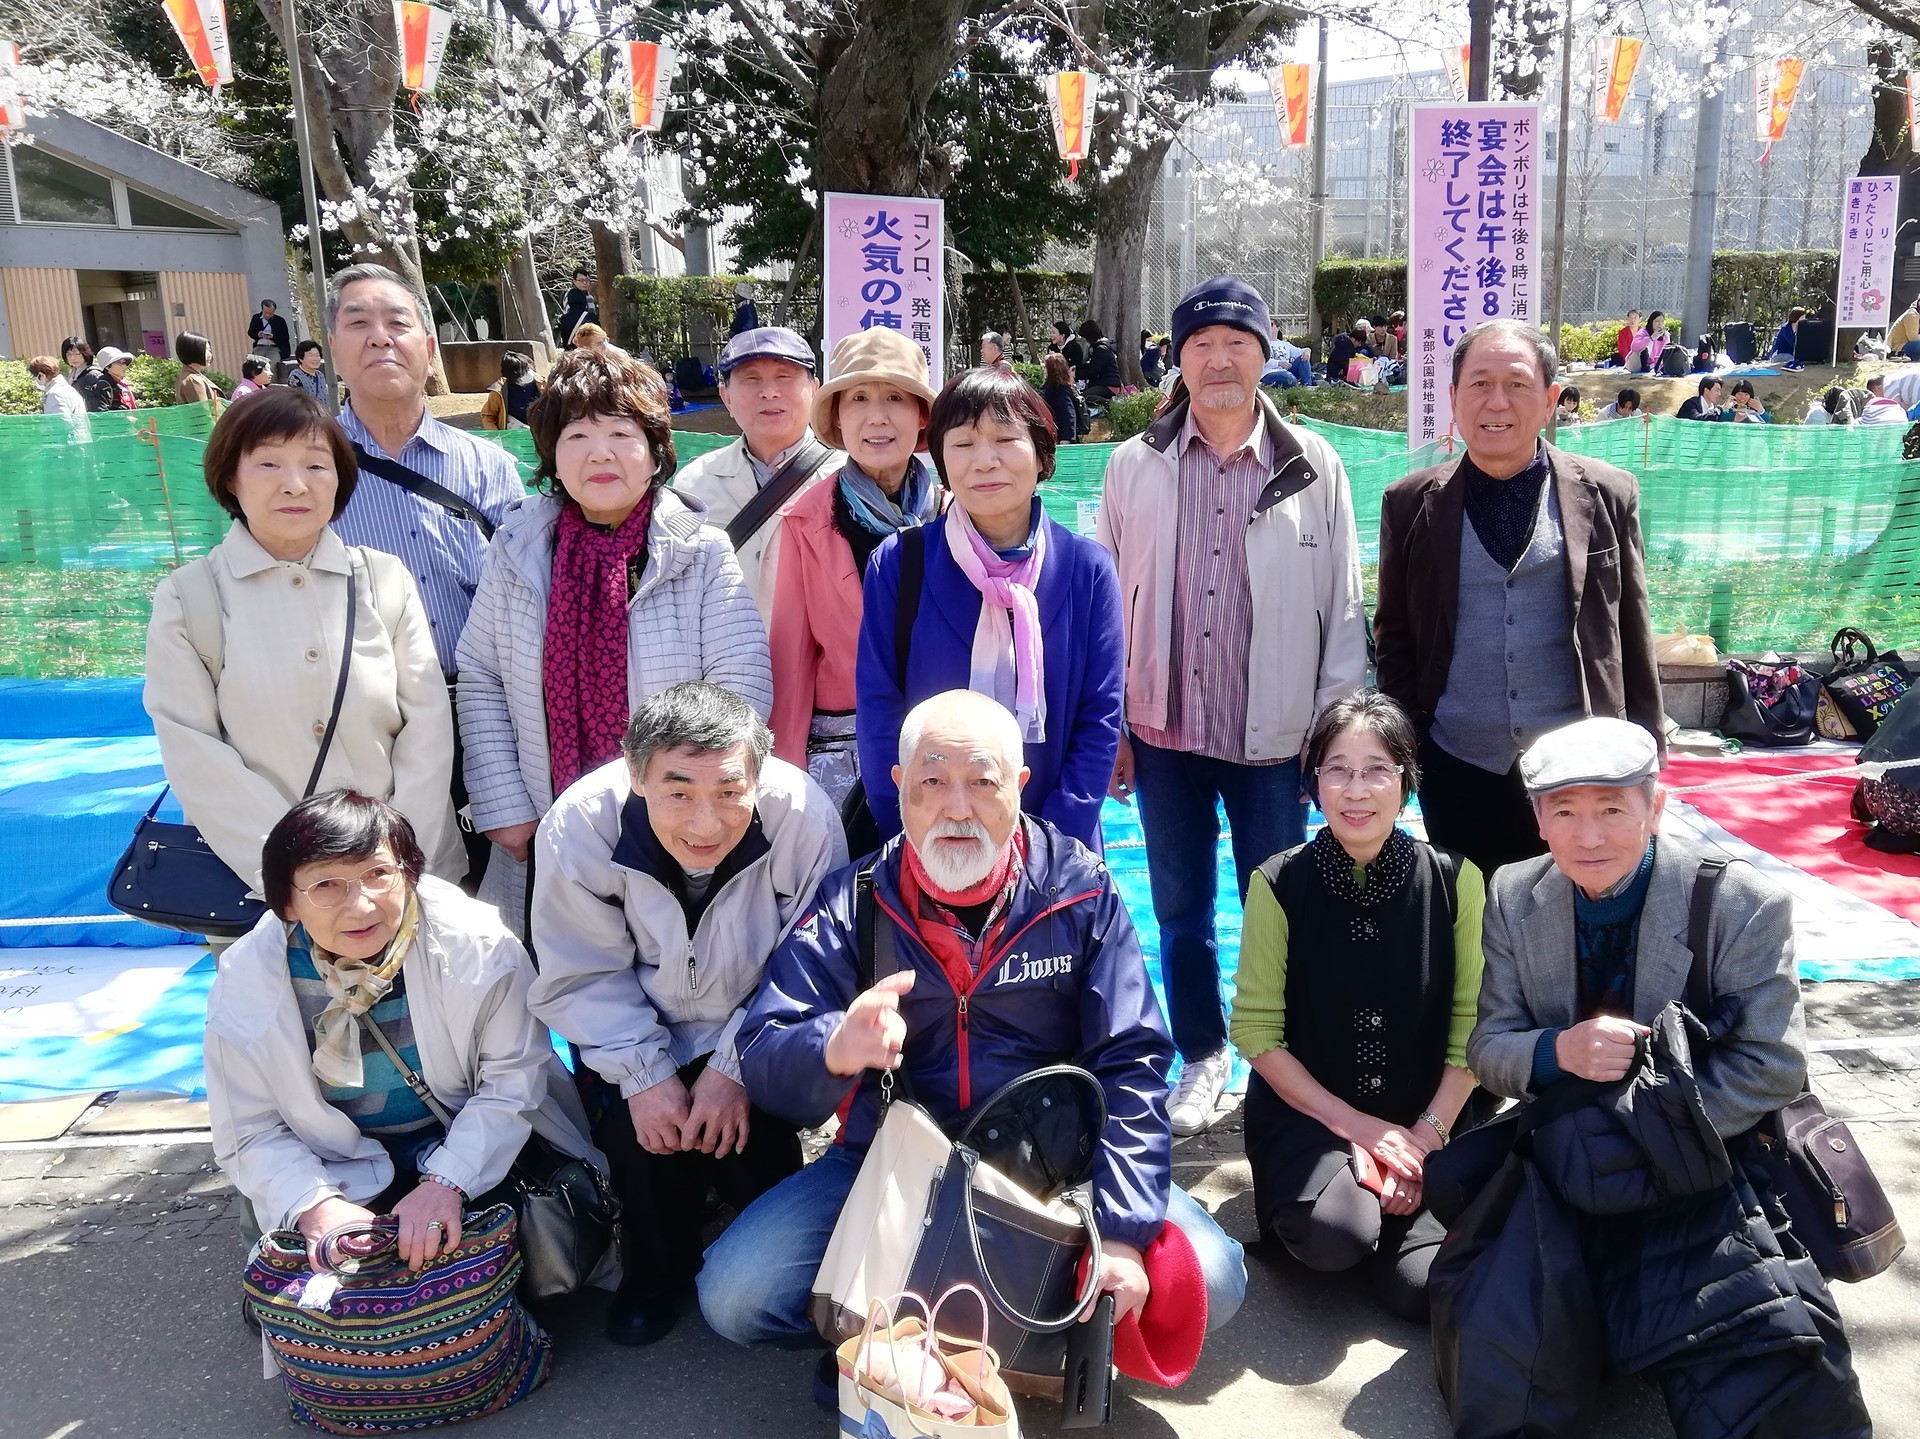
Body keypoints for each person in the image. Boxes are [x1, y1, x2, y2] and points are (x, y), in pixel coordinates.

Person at [699, 690, 1248, 1362]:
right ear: (899, 788)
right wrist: (835, 1047)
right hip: (894, 1168)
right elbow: (763, 1047)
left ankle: (955, 1316)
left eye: (982, 782)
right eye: (932, 781)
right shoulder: (856, 900)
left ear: (1017, 785)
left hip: (1057, 1167)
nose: (957, 807)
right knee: (734, 1294)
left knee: (1211, 1285)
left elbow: (1132, 1064)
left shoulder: (1079, 891)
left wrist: (1125, 1233)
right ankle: (961, 1318)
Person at [1463, 717, 1871, 1439]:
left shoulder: (1740, 899)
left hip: (1705, 1145)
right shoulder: (1513, 894)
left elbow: (1774, 1062)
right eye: (1565, 811)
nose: (1589, 836)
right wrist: (1561, 1049)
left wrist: (1650, 1130)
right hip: (1570, 1145)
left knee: (1753, 1334)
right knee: (1506, 1334)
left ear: (1656, 807)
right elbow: (1489, 1046)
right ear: (1538, 820)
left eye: (1612, 808)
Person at [1099, 275, 1367, 1137]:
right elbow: (1106, 603)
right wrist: (1112, 728)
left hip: (1277, 735)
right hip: (1166, 731)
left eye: (1238, 342)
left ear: (1266, 353)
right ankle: (1204, 1051)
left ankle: (1276, 1057)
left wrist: (1335, 738)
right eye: (1202, 343)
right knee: (1179, 912)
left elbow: (1344, 604)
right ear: (1177, 359)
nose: (1220, 359)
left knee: (1280, 906)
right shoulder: (1132, 464)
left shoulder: (1313, 464)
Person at [528, 683, 845, 1345]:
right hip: (642, 1022)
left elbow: (811, 965)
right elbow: (582, 970)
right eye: (678, 791)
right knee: (639, 1131)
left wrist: (733, 1066)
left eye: (730, 791)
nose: (706, 822)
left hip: (756, 1021)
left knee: (754, 1149)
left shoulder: (804, 818)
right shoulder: (579, 826)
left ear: (759, 773)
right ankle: (656, 1268)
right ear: (636, 772)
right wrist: (645, 1074)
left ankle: (751, 1229)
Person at [205, 790, 602, 1264]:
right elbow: (249, 1130)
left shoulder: (477, 945)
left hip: (461, 1138)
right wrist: (314, 1204)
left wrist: (447, 1182)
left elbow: (512, 1084)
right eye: (326, 885)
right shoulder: (248, 979)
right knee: (325, 1299)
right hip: (329, 1162)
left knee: (493, 1275)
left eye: (378, 874)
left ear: (410, 875)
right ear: (286, 902)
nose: (362, 906)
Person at [456, 346, 771, 929]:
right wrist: (505, 806)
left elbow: (740, 687)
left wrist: (692, 806)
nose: (599, 452)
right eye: (577, 435)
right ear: (552, 454)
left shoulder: (700, 552)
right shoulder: (518, 548)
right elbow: (482, 678)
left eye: (620, 433)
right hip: (540, 825)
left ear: (655, 452)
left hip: (674, 830)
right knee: (554, 986)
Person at [143, 388, 464, 904]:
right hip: (264, 893)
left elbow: (427, 728)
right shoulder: (189, 597)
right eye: (268, 462)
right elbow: (193, 750)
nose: (295, 484)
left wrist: (394, 864)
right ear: (231, 477)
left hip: (402, 882)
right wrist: (295, 880)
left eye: (317, 465)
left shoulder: (383, 579)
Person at [1374, 319, 1662, 880]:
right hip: (1457, 761)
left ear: (1551, 398)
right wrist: (1410, 751)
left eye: (1517, 383)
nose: (1496, 401)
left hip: (1581, 763)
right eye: (1479, 384)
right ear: (1453, 397)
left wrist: (1648, 758)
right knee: (1473, 925)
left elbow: (1633, 632)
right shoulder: (1409, 503)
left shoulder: (1607, 492)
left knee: (1578, 917)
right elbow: (1395, 640)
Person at [1232, 691, 1485, 1320]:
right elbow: (1257, 1033)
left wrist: (1423, 1139)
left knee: (1420, 1288)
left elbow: (1473, 1027)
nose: (1356, 789)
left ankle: (1398, 1207)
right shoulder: (1277, 882)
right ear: (1314, 782)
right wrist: (1364, 1132)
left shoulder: (1458, 881)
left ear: (1406, 781)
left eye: (1377, 769)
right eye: (1337, 769)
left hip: (1434, 1116)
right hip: (1310, 1115)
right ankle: (1358, 1201)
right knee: (1334, 1237)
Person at [856, 365, 1124, 854]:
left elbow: (1100, 715)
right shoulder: (900, 563)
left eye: (1005, 439)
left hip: (1057, 845)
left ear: (1043, 454)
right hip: (932, 840)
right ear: (941, 460)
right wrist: (908, 830)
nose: (984, 462)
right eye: (962, 444)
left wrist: (1053, 846)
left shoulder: (1087, 570)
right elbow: (879, 708)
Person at [326, 263, 525, 888]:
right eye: (358, 323)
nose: (380, 337)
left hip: (476, 713)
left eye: (398, 322)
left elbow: (523, 599)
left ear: (429, 349)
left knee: (481, 893)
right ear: (332, 348)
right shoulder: (307, 465)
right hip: (356, 718)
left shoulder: (487, 467)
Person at [767, 327, 939, 811]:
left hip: (942, 743)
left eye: (896, 398)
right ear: (838, 418)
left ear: (921, 415)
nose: (877, 416)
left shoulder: (953, 513)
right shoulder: (805, 520)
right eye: (858, 397)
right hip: (843, 747)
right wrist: (783, 776)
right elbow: (791, 657)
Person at [674, 327, 842, 623]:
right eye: (751, 379)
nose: (769, 392)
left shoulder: (847, 479)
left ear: (814, 389)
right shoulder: (693, 484)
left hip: (819, 664)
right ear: (726, 397)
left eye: (784, 376)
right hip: (725, 662)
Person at [479, 350, 542, 430]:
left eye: (527, 369)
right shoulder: (499, 391)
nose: (528, 373)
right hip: (513, 434)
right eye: (523, 372)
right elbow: (488, 416)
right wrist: (496, 435)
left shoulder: (541, 384)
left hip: (539, 432)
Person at [173, 330, 223, 416]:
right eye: (205, 350)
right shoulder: (193, 379)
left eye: (209, 350)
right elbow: (203, 415)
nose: (209, 355)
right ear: (193, 352)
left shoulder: (186, 375)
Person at [27, 356, 85, 422]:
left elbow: (61, 425)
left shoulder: (55, 394)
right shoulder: (66, 389)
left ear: (41, 376)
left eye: (34, 376)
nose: (34, 379)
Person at [1078, 319, 1122, 404]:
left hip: (1109, 385)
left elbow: (1092, 371)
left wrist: (1076, 374)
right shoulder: (1100, 348)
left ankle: (1109, 404)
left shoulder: (1101, 350)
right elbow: (1091, 366)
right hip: (1104, 383)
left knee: (1084, 397)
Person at [80, 347, 137, 412]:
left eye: (124, 362)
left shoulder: (123, 384)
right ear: (107, 367)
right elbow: (101, 414)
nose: (124, 366)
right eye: (119, 363)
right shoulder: (102, 386)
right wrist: (124, 417)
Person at [1040, 351, 1079, 443]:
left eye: (1046, 367)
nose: (1044, 370)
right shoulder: (1049, 387)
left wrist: (1066, 439)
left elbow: (1069, 415)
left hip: (1061, 438)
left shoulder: (1061, 390)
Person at [556, 267, 598, 349]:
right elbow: (570, 315)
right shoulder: (570, 295)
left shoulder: (590, 297)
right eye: (581, 280)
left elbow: (592, 313)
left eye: (587, 280)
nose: (585, 283)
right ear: (574, 281)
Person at [247, 298, 291, 362]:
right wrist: (258, 335)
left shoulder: (280, 321)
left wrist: (273, 337)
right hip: (259, 347)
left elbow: (285, 337)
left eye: (270, 313)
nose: (267, 315)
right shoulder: (256, 318)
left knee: (270, 364)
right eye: (265, 313)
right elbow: (250, 332)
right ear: (262, 310)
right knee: (257, 366)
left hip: (274, 348)